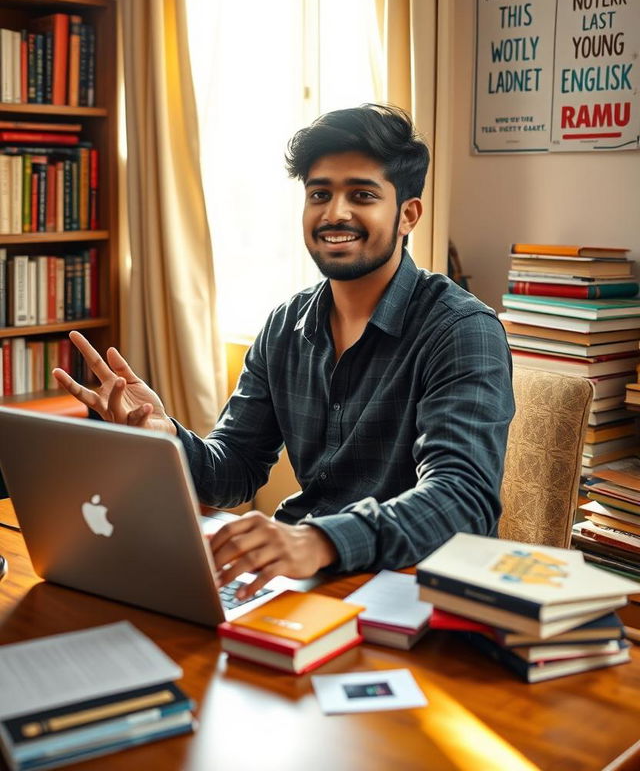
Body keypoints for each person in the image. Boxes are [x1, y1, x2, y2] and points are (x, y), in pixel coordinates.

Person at [54, 105, 515, 600]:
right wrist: (165, 436)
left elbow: (462, 500)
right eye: (320, 194)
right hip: (298, 583)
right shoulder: (284, 325)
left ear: (408, 214)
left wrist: (317, 540)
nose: (334, 213)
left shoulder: (461, 330)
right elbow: (233, 470)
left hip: (413, 593)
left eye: (362, 195)